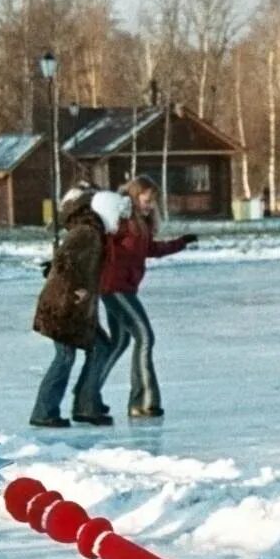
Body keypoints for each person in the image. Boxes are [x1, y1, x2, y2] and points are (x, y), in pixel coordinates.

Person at [76, 174, 194, 421]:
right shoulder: (121, 217)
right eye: (146, 199)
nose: (149, 204)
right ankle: (143, 401)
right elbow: (96, 242)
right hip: (113, 287)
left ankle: (87, 396)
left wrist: (180, 243)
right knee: (145, 337)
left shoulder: (142, 223)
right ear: (134, 194)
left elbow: (149, 249)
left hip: (126, 287)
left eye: (153, 201)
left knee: (120, 343)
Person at [28, 185, 108, 429]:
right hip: (64, 308)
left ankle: (85, 403)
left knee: (100, 348)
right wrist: (78, 289)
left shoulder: (86, 231)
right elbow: (67, 262)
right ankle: (45, 411)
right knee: (65, 356)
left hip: (70, 306)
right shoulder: (88, 232)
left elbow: (65, 261)